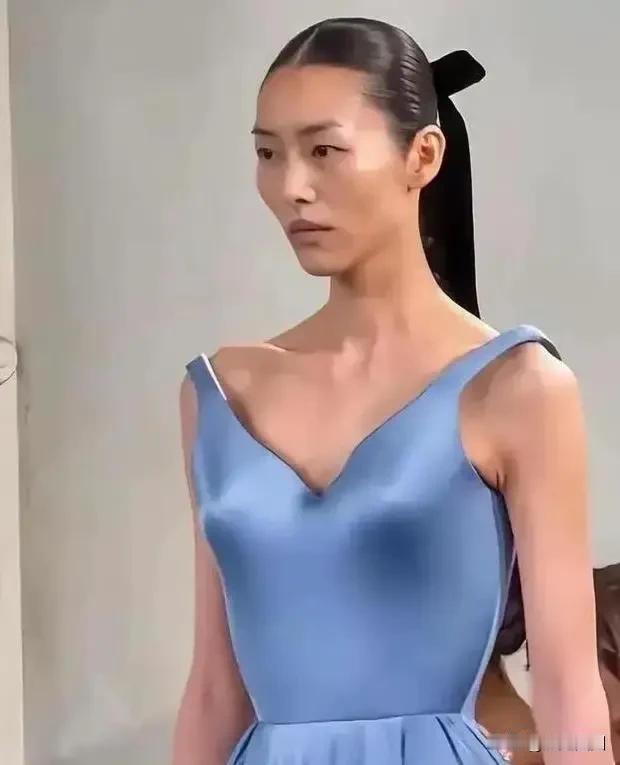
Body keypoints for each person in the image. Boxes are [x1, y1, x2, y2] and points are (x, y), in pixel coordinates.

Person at [172, 17, 612, 765]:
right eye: (268, 153)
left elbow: (570, 689)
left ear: (423, 155)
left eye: (324, 150)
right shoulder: (219, 394)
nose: (292, 187)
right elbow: (215, 688)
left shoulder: (518, 387)